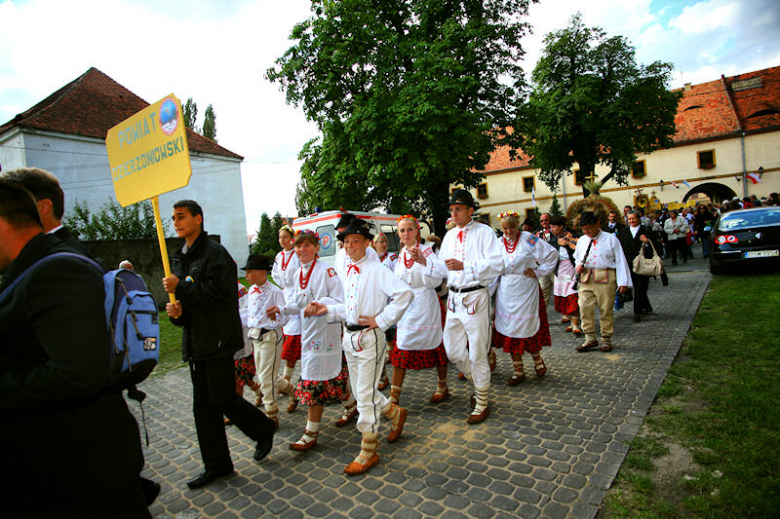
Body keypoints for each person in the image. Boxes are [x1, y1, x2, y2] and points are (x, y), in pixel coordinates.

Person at [0, 180, 151, 517]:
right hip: (58, 470)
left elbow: (78, 374)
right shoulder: (25, 269)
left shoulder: (58, 268)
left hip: (81, 470)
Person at [163, 200, 276, 489]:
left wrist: (182, 287)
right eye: (173, 218)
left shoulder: (215, 254)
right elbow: (190, 304)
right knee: (202, 406)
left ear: (198, 218)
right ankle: (218, 465)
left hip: (218, 339)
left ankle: (263, 428)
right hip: (196, 341)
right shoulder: (179, 258)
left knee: (223, 397)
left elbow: (220, 295)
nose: (176, 222)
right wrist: (178, 313)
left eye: (181, 217)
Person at [307, 218, 413, 475]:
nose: (350, 245)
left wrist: (382, 319)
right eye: (346, 241)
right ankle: (394, 413)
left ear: (367, 243)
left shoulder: (376, 269)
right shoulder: (345, 270)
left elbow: (405, 294)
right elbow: (349, 309)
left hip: (370, 338)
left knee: (364, 395)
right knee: (359, 390)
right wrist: (327, 309)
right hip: (349, 337)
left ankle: (369, 449)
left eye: (356, 241)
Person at [266, 230, 358, 453]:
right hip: (309, 333)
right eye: (298, 246)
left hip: (326, 332)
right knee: (330, 377)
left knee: (314, 381)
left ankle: (310, 433)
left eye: (307, 245)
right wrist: (282, 308)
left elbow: (340, 301)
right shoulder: (298, 273)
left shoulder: (326, 271)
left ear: (317, 248)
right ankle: (352, 406)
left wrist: (320, 304)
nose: (302, 250)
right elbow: (297, 303)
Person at [425, 189, 503, 424]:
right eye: (452, 209)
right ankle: (479, 383)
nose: (454, 213)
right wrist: (425, 262)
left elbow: (496, 264)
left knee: (478, 351)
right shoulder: (449, 237)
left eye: (458, 209)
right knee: (453, 350)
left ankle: (481, 400)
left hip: (475, 297)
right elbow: (442, 268)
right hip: (454, 299)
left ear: (471, 210)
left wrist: (465, 265)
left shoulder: (485, 233)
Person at [492, 211, 557, 385]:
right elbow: (491, 267)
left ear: (518, 226)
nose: (508, 231)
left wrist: (538, 271)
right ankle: (518, 369)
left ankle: (537, 360)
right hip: (506, 290)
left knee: (527, 325)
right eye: (505, 228)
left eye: (512, 227)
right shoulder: (497, 243)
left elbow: (551, 254)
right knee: (511, 329)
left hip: (526, 288)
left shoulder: (529, 238)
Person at [390, 215, 449, 405]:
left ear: (417, 231)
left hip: (425, 302)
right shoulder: (401, 254)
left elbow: (437, 279)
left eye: (409, 229)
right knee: (401, 346)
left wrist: (424, 262)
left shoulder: (428, 250)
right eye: (402, 230)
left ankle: (442, 386)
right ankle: (394, 395)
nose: (406, 233)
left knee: (436, 345)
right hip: (407, 306)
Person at [244, 254, 292, 429]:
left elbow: (285, 318)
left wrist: (275, 317)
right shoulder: (251, 291)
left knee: (266, 377)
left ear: (262, 272)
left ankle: (271, 413)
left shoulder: (275, 292)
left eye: (250, 272)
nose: (247, 276)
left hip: (271, 335)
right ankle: (293, 391)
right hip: (256, 336)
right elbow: (250, 315)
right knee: (268, 374)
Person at [573, 211, 632, 353]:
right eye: (584, 229)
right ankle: (589, 338)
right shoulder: (581, 240)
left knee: (606, 309)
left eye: (589, 228)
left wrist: (623, 282)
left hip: (605, 276)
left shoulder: (610, 239)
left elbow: (620, 260)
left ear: (598, 225)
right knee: (584, 307)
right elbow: (577, 257)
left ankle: (606, 338)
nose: (586, 231)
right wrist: (578, 266)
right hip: (586, 277)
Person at [0, 167, 91, 257]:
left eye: (13, 205)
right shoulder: (52, 253)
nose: (8, 213)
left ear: (43, 207)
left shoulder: (64, 258)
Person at [274, 225, 302, 413]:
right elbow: (276, 275)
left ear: (292, 238)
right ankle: (287, 380)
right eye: (280, 237)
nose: (283, 240)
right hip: (285, 295)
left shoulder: (298, 254)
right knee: (288, 341)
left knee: (294, 341)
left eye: (286, 237)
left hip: (298, 295)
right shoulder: (279, 256)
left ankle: (290, 380)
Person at [229, 279, 264, 426]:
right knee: (241, 376)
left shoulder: (241, 290)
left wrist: (229, 318)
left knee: (238, 377)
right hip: (225, 339)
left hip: (241, 338)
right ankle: (258, 391)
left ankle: (237, 413)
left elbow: (248, 312)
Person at [618, 211, 661, 322]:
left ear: (639, 219)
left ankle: (637, 312)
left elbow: (656, 245)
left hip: (643, 264)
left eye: (634, 219)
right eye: (629, 219)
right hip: (629, 264)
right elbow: (621, 247)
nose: (632, 221)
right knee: (638, 288)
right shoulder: (624, 232)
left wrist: (646, 242)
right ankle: (646, 306)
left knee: (641, 287)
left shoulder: (646, 230)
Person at [549, 216, 582, 336]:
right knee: (563, 297)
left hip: (571, 268)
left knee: (572, 296)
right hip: (559, 271)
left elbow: (577, 251)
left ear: (561, 226)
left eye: (554, 227)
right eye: (551, 227)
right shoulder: (553, 240)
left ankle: (576, 324)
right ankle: (571, 322)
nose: (552, 229)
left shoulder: (572, 236)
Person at [534, 212, 556, 316]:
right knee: (543, 292)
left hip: (556, 267)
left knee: (561, 291)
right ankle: (542, 316)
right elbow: (529, 247)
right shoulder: (537, 234)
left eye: (546, 220)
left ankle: (568, 315)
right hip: (543, 266)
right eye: (542, 220)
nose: (544, 222)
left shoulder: (556, 231)